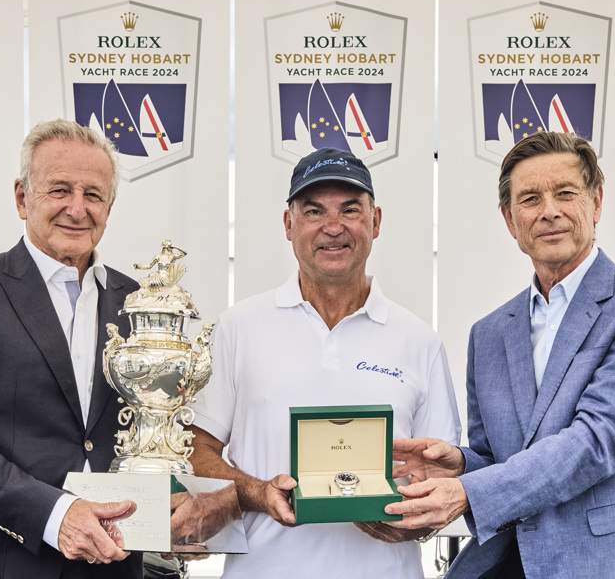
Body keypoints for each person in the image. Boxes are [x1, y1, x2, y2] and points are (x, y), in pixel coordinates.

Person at [386, 132, 615, 578]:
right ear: (510, 219)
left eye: (565, 193)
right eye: (530, 198)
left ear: (596, 202)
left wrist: (469, 491)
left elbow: (597, 440)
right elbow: (500, 458)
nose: (549, 210)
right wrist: (461, 464)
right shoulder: (489, 334)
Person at [188, 147, 461, 578]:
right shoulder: (237, 327)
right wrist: (258, 492)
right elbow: (195, 449)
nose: (333, 228)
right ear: (288, 224)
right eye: (314, 211)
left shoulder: (420, 341)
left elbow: (443, 484)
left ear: (375, 221)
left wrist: (414, 525)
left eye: (350, 210)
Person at [0, 119, 143, 579]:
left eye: (93, 195)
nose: (77, 209)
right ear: (22, 198)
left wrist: (182, 505)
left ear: (110, 206)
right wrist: (56, 514)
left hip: (110, 565)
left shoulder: (137, 301)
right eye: (60, 190)